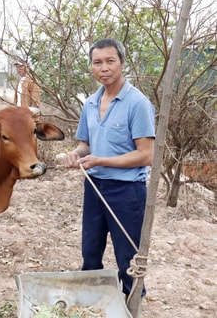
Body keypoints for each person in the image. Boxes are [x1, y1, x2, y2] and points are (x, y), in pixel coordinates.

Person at [62, 38, 155, 298]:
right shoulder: (90, 103)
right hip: (94, 186)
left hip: (127, 191)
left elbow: (146, 155)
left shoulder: (137, 104)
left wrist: (102, 160)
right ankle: (92, 303)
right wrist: (75, 154)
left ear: (122, 64)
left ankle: (133, 304)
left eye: (110, 61)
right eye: (97, 62)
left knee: (128, 256)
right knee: (90, 251)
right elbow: (86, 145)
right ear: (92, 67)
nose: (104, 68)